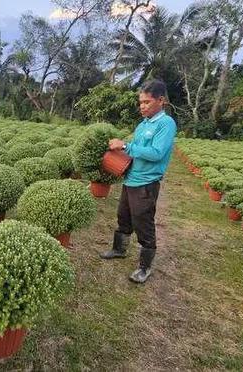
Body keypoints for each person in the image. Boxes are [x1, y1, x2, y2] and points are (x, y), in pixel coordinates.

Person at [99, 79, 177, 284]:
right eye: (140, 102)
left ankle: (145, 266)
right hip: (131, 178)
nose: (142, 106)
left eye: (147, 102)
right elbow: (135, 147)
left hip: (146, 182)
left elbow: (157, 153)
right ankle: (119, 249)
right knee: (123, 216)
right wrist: (121, 150)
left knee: (143, 221)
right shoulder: (143, 124)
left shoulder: (166, 124)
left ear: (161, 101)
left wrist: (125, 146)